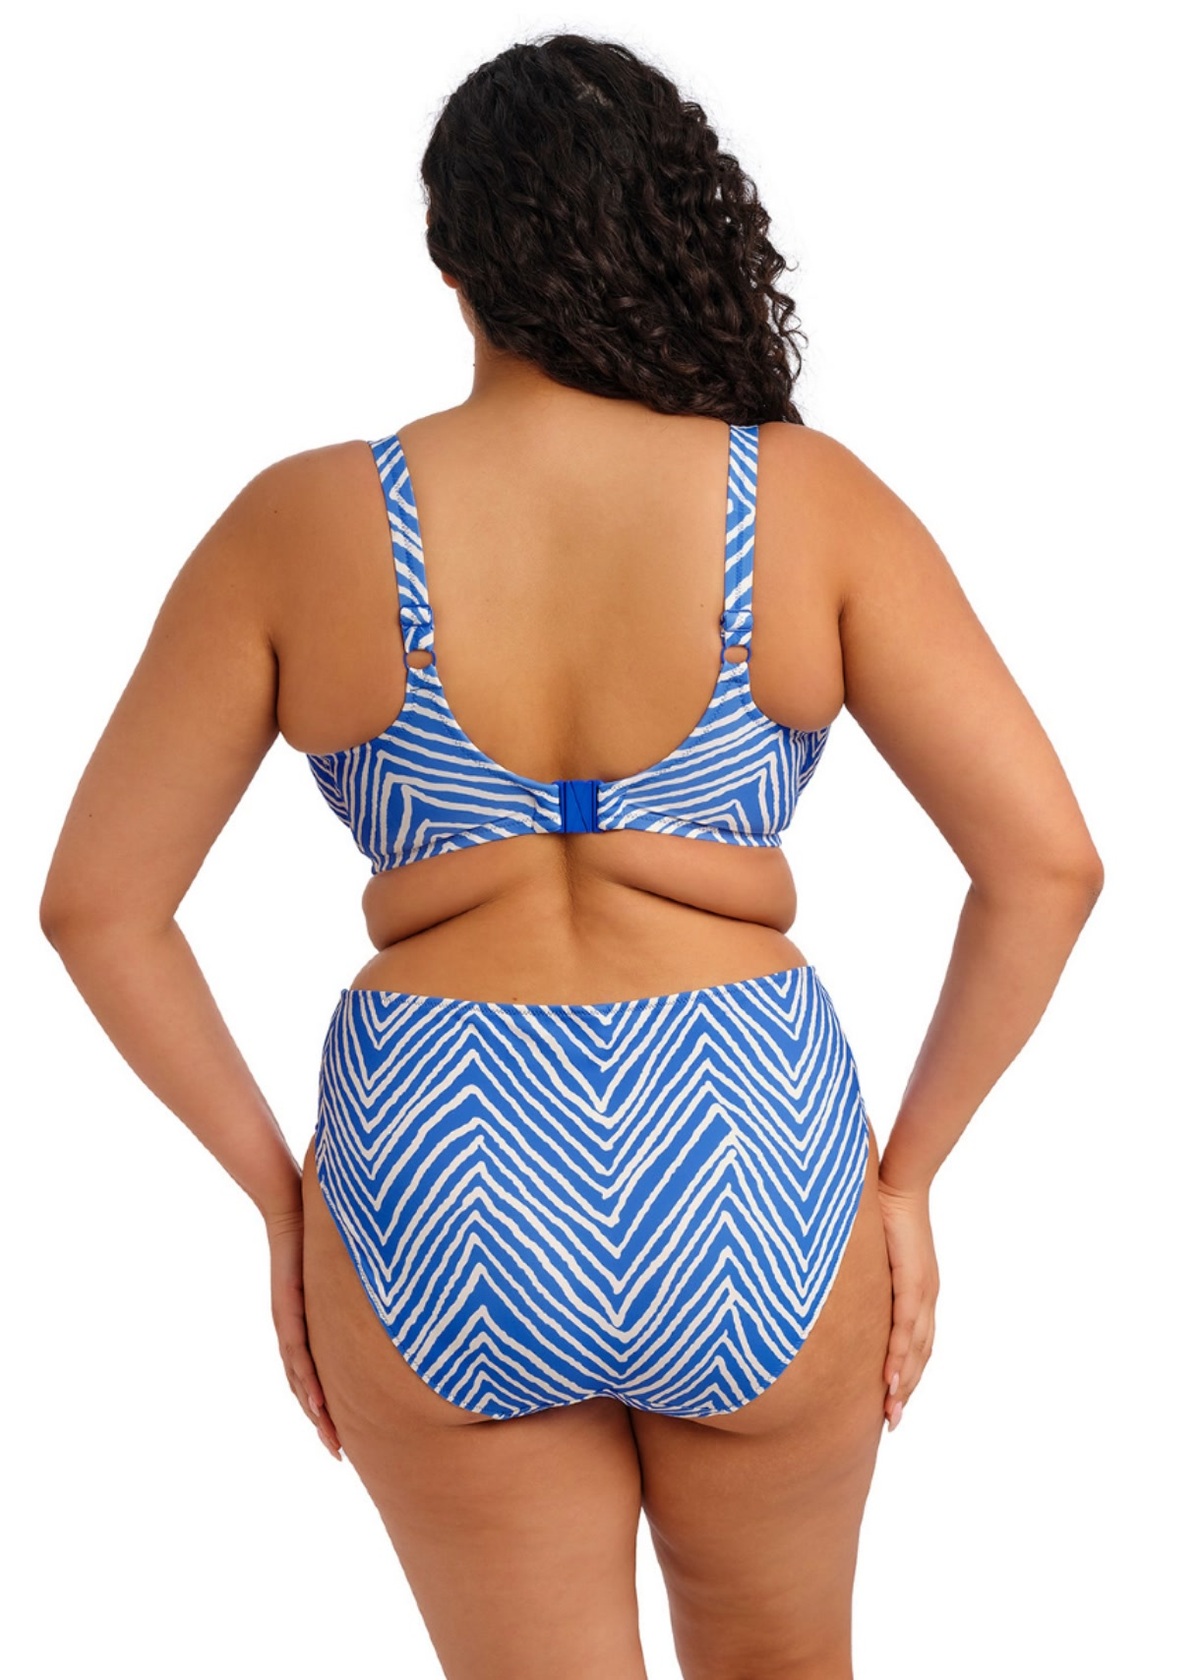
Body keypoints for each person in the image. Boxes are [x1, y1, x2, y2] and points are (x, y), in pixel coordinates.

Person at [39, 30, 1103, 1680]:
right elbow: (1048, 865)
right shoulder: (804, 502)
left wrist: (282, 1201)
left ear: (449, 256)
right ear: (671, 231)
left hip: (438, 1165)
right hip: (746, 1147)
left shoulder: (301, 523)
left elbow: (98, 905)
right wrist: (905, 1180)